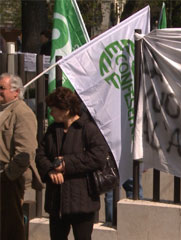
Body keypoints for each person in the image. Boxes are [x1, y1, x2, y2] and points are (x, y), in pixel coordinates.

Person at [36, 87, 111, 240]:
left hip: (82, 201)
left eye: (54, 109)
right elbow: (40, 155)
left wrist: (66, 164)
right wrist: (51, 170)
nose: (51, 113)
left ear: (66, 109)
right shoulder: (52, 130)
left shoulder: (88, 129)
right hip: (56, 203)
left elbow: (98, 156)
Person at [0, 73, 42, 240]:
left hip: (8, 179)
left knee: (10, 226)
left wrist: (8, 176)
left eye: (2, 88)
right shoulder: (3, 110)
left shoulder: (22, 113)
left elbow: (25, 152)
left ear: (16, 91)